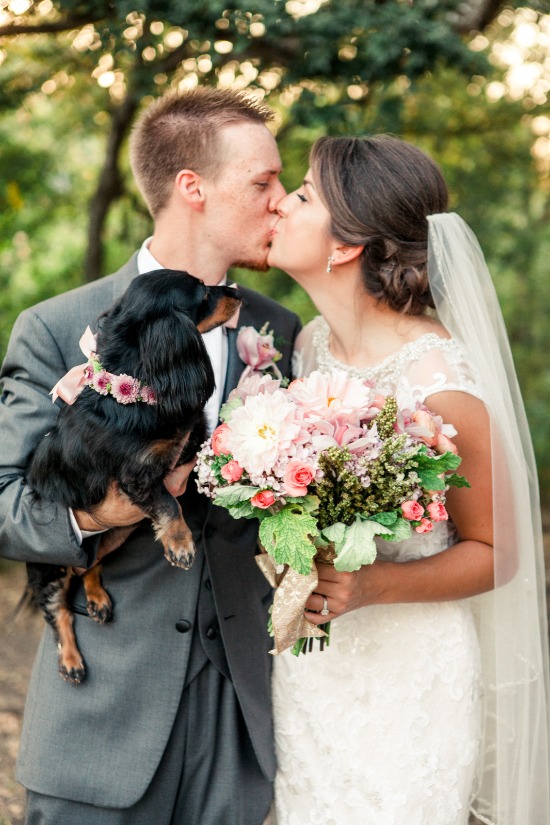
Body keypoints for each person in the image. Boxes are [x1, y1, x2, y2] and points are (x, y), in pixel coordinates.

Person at [0, 87, 301, 824]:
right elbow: (5, 505)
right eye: (262, 183)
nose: (282, 202)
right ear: (191, 188)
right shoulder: (56, 326)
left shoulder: (282, 329)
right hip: (101, 717)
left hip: (237, 725)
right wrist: (109, 508)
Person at [266, 135, 550, 824]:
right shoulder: (308, 344)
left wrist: (369, 585)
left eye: (302, 195)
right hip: (314, 665)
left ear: (344, 248)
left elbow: (500, 552)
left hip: (409, 676)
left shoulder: (441, 383)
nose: (280, 202)